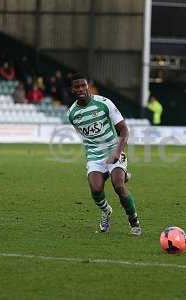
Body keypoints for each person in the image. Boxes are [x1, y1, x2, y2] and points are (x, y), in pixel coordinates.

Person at [67, 74, 142, 236]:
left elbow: (124, 130)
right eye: (77, 87)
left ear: (88, 87)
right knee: (95, 189)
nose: (80, 89)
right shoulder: (72, 114)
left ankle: (134, 221)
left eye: (83, 86)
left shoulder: (104, 103)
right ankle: (106, 211)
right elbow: (86, 137)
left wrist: (117, 152)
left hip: (113, 149)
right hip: (94, 156)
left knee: (118, 185)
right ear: (72, 90)